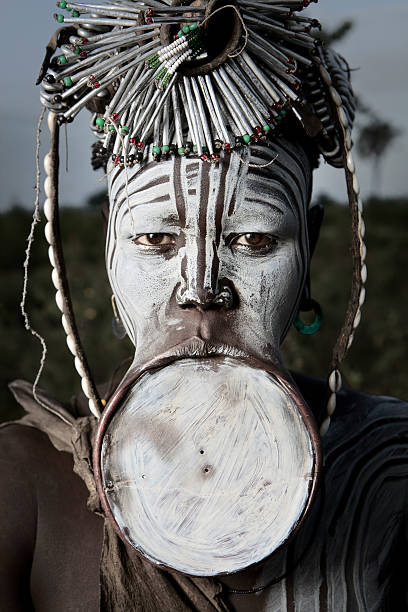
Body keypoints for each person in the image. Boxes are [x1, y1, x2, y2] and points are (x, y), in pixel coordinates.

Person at [1, 1, 407, 610]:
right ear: (110, 250)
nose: (201, 287)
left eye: (253, 240)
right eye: (156, 239)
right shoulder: (22, 484)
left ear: (311, 248)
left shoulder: (393, 470)